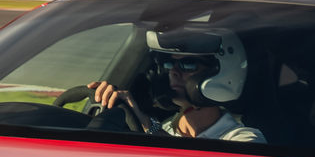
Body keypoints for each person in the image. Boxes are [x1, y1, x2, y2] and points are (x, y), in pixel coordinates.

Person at [88, 25, 266, 143]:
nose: (173, 72)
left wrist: (147, 125)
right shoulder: (165, 129)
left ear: (222, 72)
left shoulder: (244, 139)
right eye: (168, 64)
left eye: (188, 64)